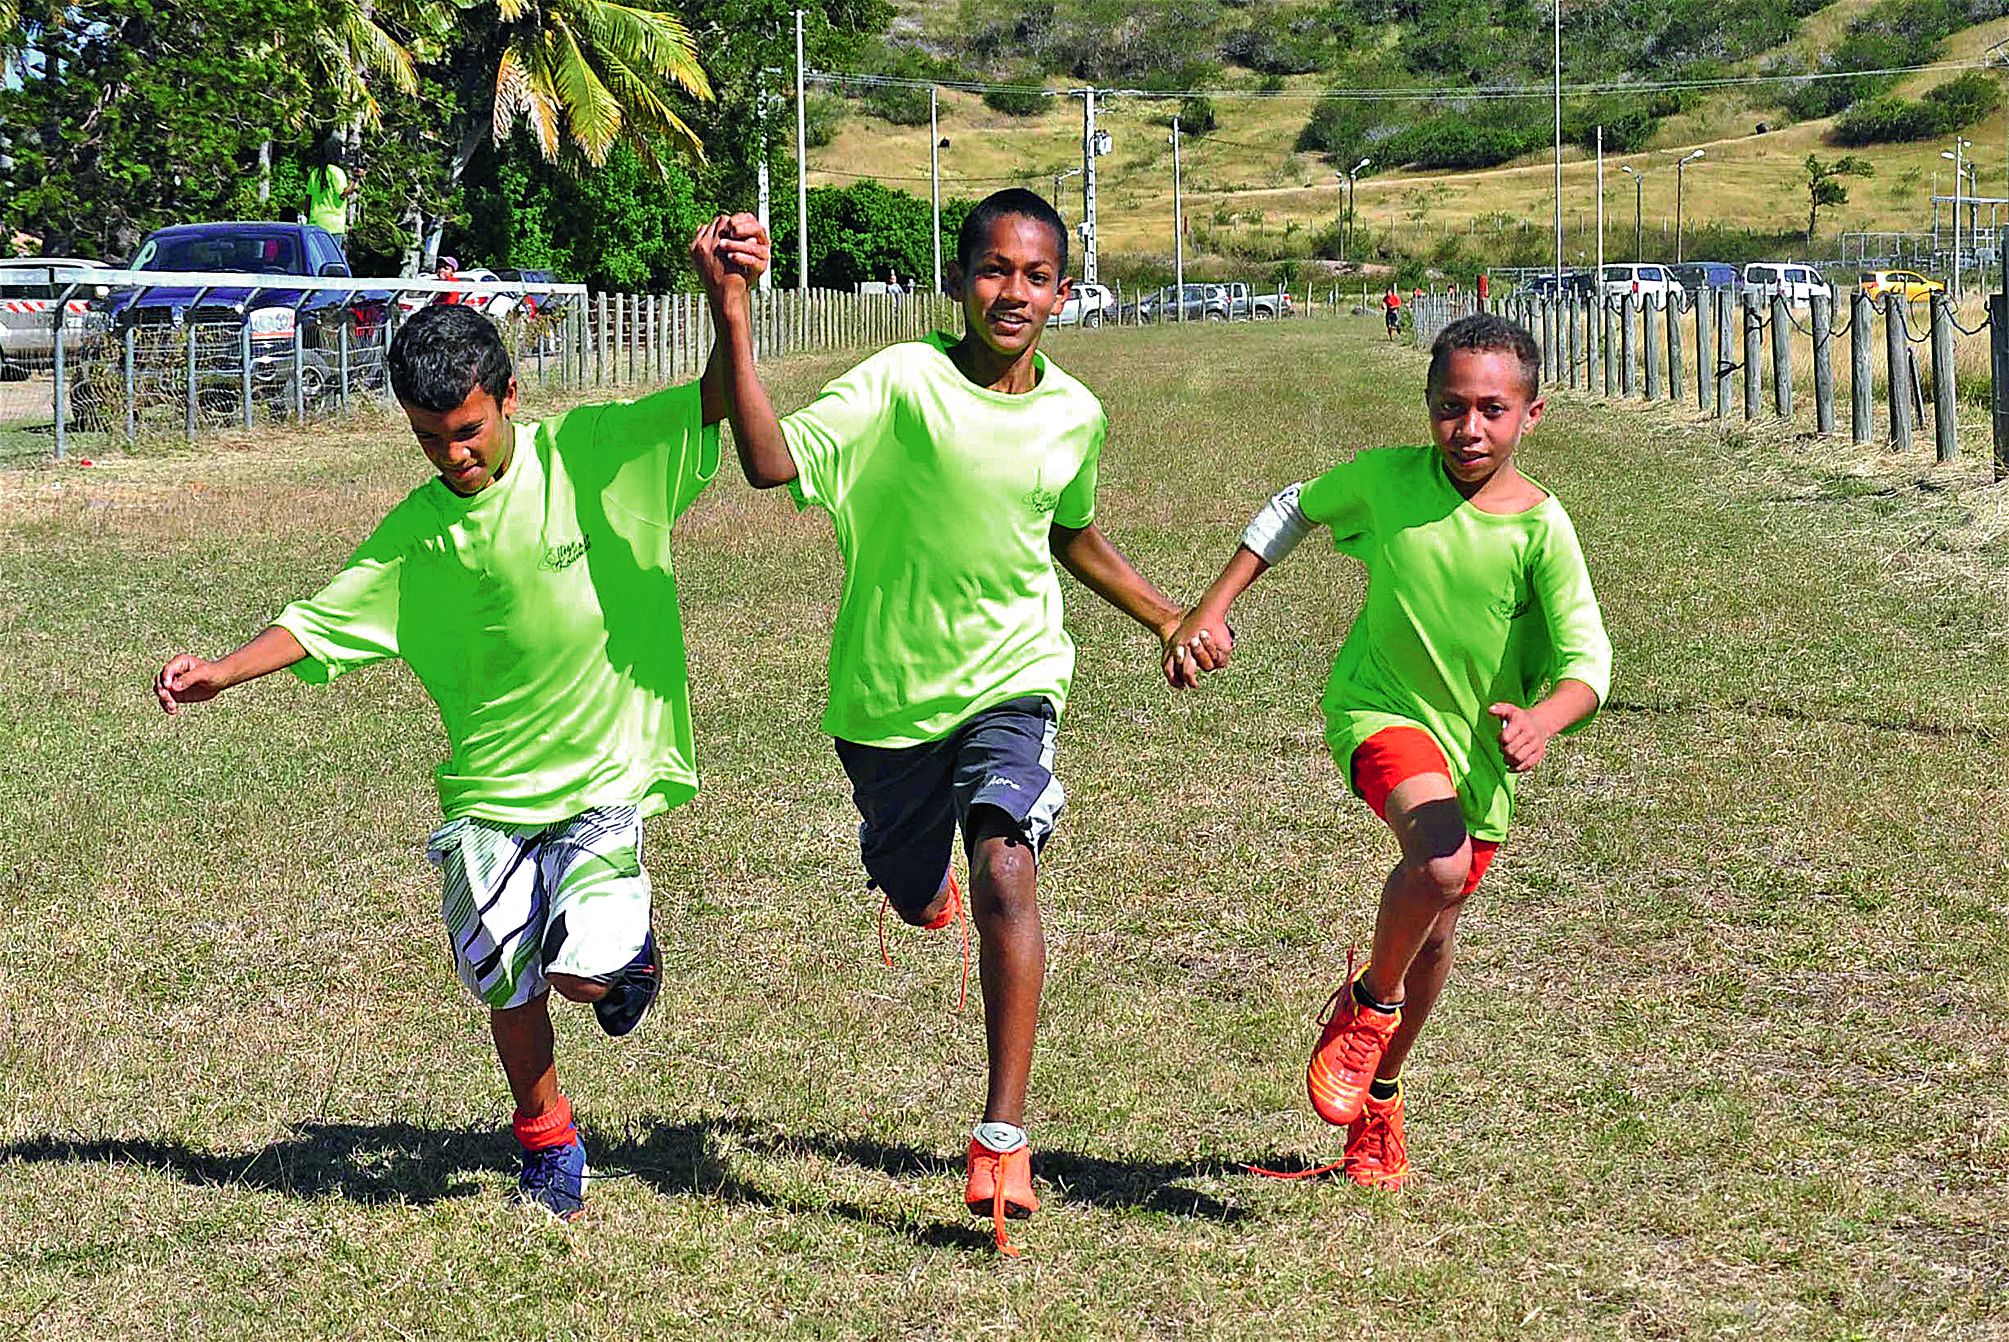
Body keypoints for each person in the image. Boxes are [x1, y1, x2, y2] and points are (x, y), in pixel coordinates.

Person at [149, 267, 761, 1219]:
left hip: (599, 781)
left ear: (511, 396)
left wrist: (729, 303)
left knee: (576, 971)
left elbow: (717, 399)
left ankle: (625, 963)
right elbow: (321, 620)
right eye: (430, 440)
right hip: (484, 796)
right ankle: (548, 1141)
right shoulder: (416, 533)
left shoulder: (596, 454)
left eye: (468, 431)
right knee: (507, 986)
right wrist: (225, 669)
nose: (453, 456)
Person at [695, 190, 1214, 1254]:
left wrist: (1164, 613)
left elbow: (1068, 531)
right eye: (992, 270)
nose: (1011, 292)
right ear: (957, 279)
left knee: (1007, 869)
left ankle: (1001, 1133)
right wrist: (734, 318)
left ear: (1062, 293)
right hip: (883, 704)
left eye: (1033, 275)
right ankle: (912, 879)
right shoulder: (899, 383)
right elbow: (769, 463)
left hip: (1013, 677)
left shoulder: (1074, 412)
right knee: (909, 874)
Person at [1165, 313, 1611, 1189]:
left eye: (1492, 409)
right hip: (1379, 712)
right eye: (1450, 407)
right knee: (1438, 869)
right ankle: (1367, 1005)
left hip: (1479, 757)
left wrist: (1543, 720)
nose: (1468, 429)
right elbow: (1293, 506)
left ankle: (1380, 1098)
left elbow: (1587, 663)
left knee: (1434, 932)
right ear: (1428, 405)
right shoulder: (1387, 483)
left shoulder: (1540, 531)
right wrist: (1210, 607)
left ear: (1533, 415)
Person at [305, 141, 357, 252]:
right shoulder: (337, 172)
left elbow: (308, 199)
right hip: (334, 225)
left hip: (315, 222)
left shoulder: (314, 173)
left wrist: (308, 218)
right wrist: (355, 179)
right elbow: (343, 194)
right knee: (331, 258)